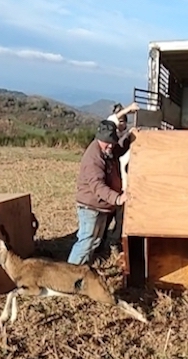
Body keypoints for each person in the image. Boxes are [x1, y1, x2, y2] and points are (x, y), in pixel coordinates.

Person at [68, 120, 131, 265]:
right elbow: (98, 186)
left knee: (95, 242)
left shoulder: (107, 149)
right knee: (85, 242)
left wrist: (131, 136)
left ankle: (84, 272)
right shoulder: (94, 158)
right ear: (99, 138)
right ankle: (70, 275)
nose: (110, 145)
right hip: (90, 207)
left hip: (102, 206)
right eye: (107, 142)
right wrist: (118, 199)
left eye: (112, 142)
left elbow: (118, 148)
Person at [99, 102, 138, 252]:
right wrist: (128, 109)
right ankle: (99, 246)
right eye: (120, 120)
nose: (121, 123)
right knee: (105, 219)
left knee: (121, 220)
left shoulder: (127, 140)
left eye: (124, 121)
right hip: (110, 188)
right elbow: (112, 120)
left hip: (123, 188)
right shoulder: (109, 137)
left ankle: (116, 245)